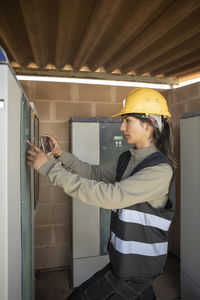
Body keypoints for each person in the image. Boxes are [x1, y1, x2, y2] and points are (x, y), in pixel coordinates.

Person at [27, 88, 176, 300]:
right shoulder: (127, 158)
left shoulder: (159, 170)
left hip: (137, 268)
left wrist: (49, 169)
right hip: (123, 261)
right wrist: (61, 155)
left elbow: (110, 196)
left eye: (128, 120)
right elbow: (94, 173)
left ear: (149, 123)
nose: (122, 127)